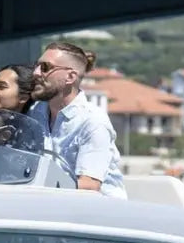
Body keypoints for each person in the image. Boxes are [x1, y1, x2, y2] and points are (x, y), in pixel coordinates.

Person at [24, 41, 126, 198]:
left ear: (70, 77)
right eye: (36, 66)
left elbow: (89, 187)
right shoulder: (36, 111)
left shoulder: (93, 122)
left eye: (45, 67)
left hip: (100, 209)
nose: (36, 73)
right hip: (52, 203)